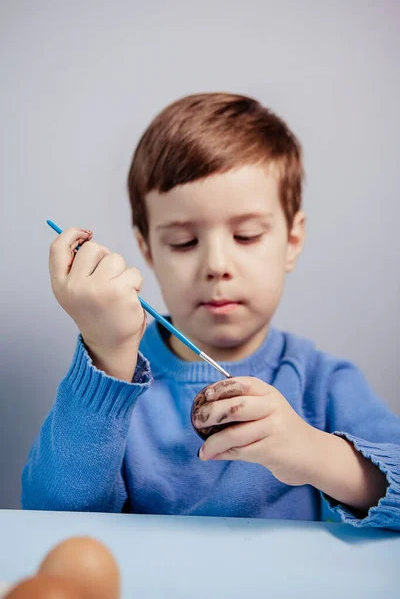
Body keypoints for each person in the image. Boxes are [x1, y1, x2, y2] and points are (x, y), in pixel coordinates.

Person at [22, 93, 400, 529]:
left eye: (247, 235)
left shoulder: (321, 383)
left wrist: (314, 453)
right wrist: (107, 355)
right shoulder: (118, 377)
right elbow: (48, 518)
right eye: (184, 242)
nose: (217, 266)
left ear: (292, 241)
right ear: (146, 247)